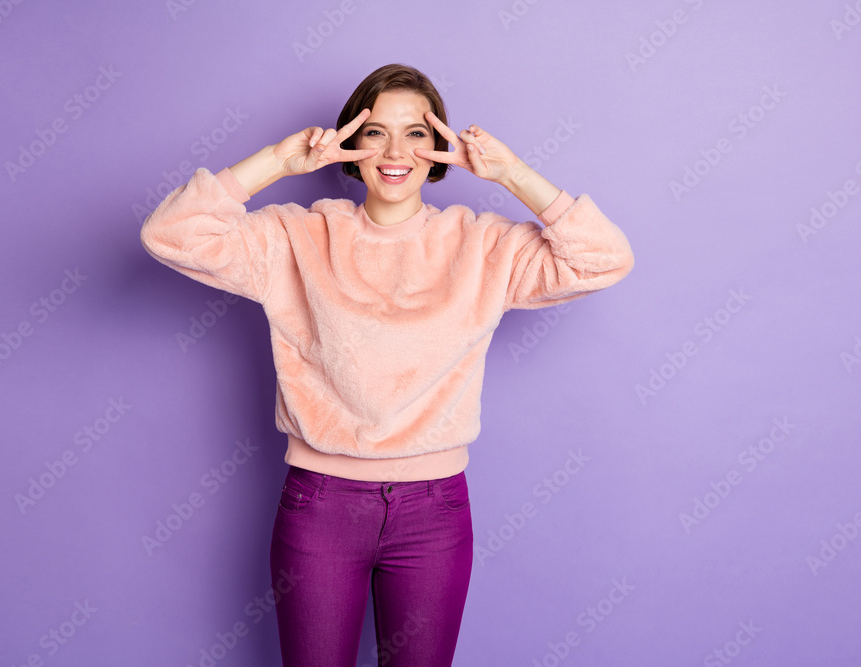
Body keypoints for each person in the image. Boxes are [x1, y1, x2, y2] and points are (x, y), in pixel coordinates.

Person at [140, 63, 634, 667]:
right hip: (320, 505)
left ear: (440, 150)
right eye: (375, 132)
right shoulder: (298, 236)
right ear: (351, 144)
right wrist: (277, 159)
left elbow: (603, 259)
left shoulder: (483, 245)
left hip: (435, 511)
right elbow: (171, 232)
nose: (396, 150)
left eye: (417, 134)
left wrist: (510, 174)